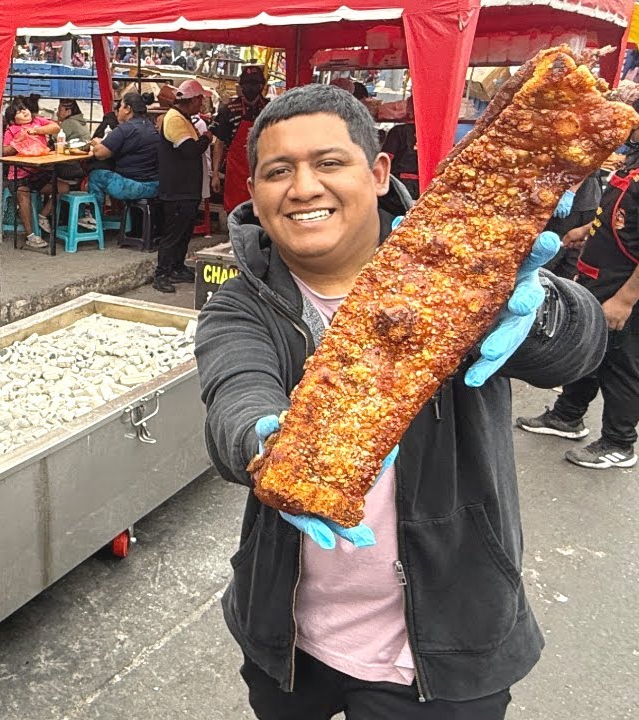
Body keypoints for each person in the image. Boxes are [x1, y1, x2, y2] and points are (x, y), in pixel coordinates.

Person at [196, 84, 605, 719]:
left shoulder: (457, 272)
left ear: (379, 172)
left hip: (446, 639)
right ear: (253, 191)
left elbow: (580, 347)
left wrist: (542, 315)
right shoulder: (240, 304)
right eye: (278, 172)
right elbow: (234, 393)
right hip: (286, 636)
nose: (303, 187)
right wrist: (265, 442)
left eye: (329, 162)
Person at [517, 101, 639, 469]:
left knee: (621, 363)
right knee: (590, 349)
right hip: (598, 275)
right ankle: (567, 416)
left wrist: (626, 299)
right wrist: (586, 230)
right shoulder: (632, 162)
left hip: (624, 288)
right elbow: (621, 214)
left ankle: (619, 442)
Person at [153, 81, 213, 293]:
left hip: (187, 188)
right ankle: (162, 273)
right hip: (177, 189)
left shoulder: (183, 118)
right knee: (173, 234)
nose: (202, 104)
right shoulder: (174, 119)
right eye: (201, 99)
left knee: (184, 232)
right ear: (194, 100)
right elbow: (190, 151)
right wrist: (206, 138)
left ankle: (177, 267)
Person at [87, 92, 160, 226]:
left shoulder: (125, 129)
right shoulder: (150, 125)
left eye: (120, 106)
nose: (118, 110)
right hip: (155, 185)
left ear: (127, 109)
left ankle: (94, 219)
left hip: (135, 186)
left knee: (96, 175)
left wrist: (97, 143)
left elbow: (100, 153)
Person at [1, 97, 60, 249]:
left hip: (39, 172)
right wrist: (18, 141)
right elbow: (4, 151)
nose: (24, 112)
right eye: (19, 112)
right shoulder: (11, 130)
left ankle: (42, 215)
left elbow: (55, 128)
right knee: (23, 194)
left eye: (24, 109)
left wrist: (35, 130)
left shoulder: (37, 121)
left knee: (63, 188)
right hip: (19, 175)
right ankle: (31, 235)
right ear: (13, 120)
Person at [212, 64, 270, 213]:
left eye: (255, 84)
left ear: (262, 86)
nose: (251, 88)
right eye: (247, 84)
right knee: (235, 212)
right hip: (236, 172)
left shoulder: (270, 110)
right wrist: (215, 174)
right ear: (241, 86)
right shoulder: (229, 110)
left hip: (262, 170)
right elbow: (219, 143)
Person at [380, 119, 420, 198]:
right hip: (427, 184)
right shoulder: (433, 132)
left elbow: (387, 158)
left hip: (400, 183)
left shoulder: (398, 130)